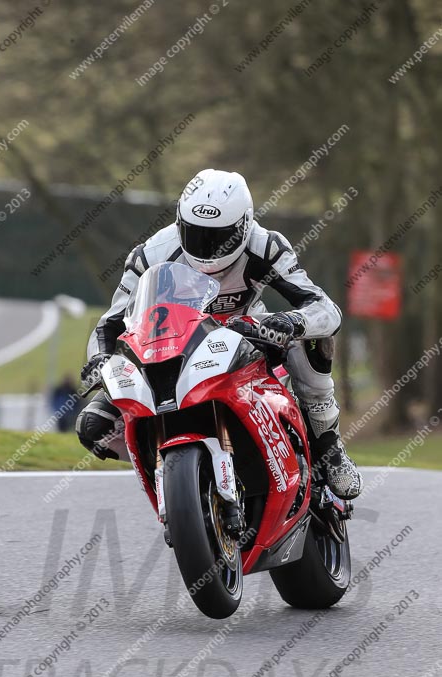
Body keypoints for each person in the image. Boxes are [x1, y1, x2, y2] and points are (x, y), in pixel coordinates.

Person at [76, 169, 363, 499]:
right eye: (195, 234)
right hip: (171, 350)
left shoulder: (266, 246)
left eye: (217, 236)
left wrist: (290, 321)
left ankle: (329, 446)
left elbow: (324, 309)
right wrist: (98, 359)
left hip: (246, 340)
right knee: (94, 427)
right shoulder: (151, 253)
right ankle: (171, 473)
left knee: (314, 339)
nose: (206, 248)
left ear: (244, 225)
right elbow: (109, 324)